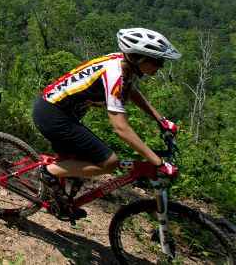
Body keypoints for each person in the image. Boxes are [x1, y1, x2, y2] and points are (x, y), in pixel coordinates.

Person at [33, 27, 181, 218]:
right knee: (109, 162)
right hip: (53, 114)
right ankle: (48, 172)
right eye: (158, 61)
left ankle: (60, 201)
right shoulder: (114, 73)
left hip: (59, 111)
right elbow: (121, 128)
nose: (160, 67)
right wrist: (158, 162)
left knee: (81, 160)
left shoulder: (123, 64)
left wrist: (160, 120)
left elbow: (131, 91)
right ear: (139, 59)